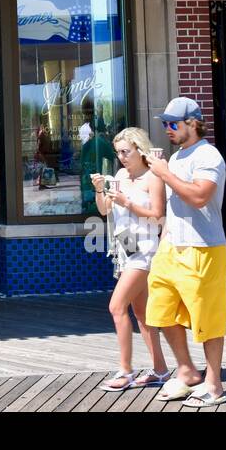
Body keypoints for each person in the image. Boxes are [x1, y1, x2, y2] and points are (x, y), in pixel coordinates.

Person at [144, 97, 226, 408]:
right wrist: (164, 242)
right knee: (160, 312)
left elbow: (200, 197)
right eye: (164, 123)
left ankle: (214, 384)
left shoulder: (208, 155)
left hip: (203, 248)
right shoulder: (177, 157)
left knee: (208, 320)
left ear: (193, 123)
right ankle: (187, 370)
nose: (166, 129)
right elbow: (173, 206)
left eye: (172, 123)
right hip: (172, 249)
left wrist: (164, 173)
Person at [93, 126, 170, 391]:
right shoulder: (120, 175)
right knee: (141, 313)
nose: (122, 157)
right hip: (125, 250)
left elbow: (159, 216)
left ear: (140, 149)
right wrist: (99, 190)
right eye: (118, 153)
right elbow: (105, 210)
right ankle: (160, 370)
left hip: (146, 250)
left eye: (126, 151)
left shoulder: (152, 177)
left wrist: (128, 202)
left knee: (116, 307)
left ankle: (125, 371)